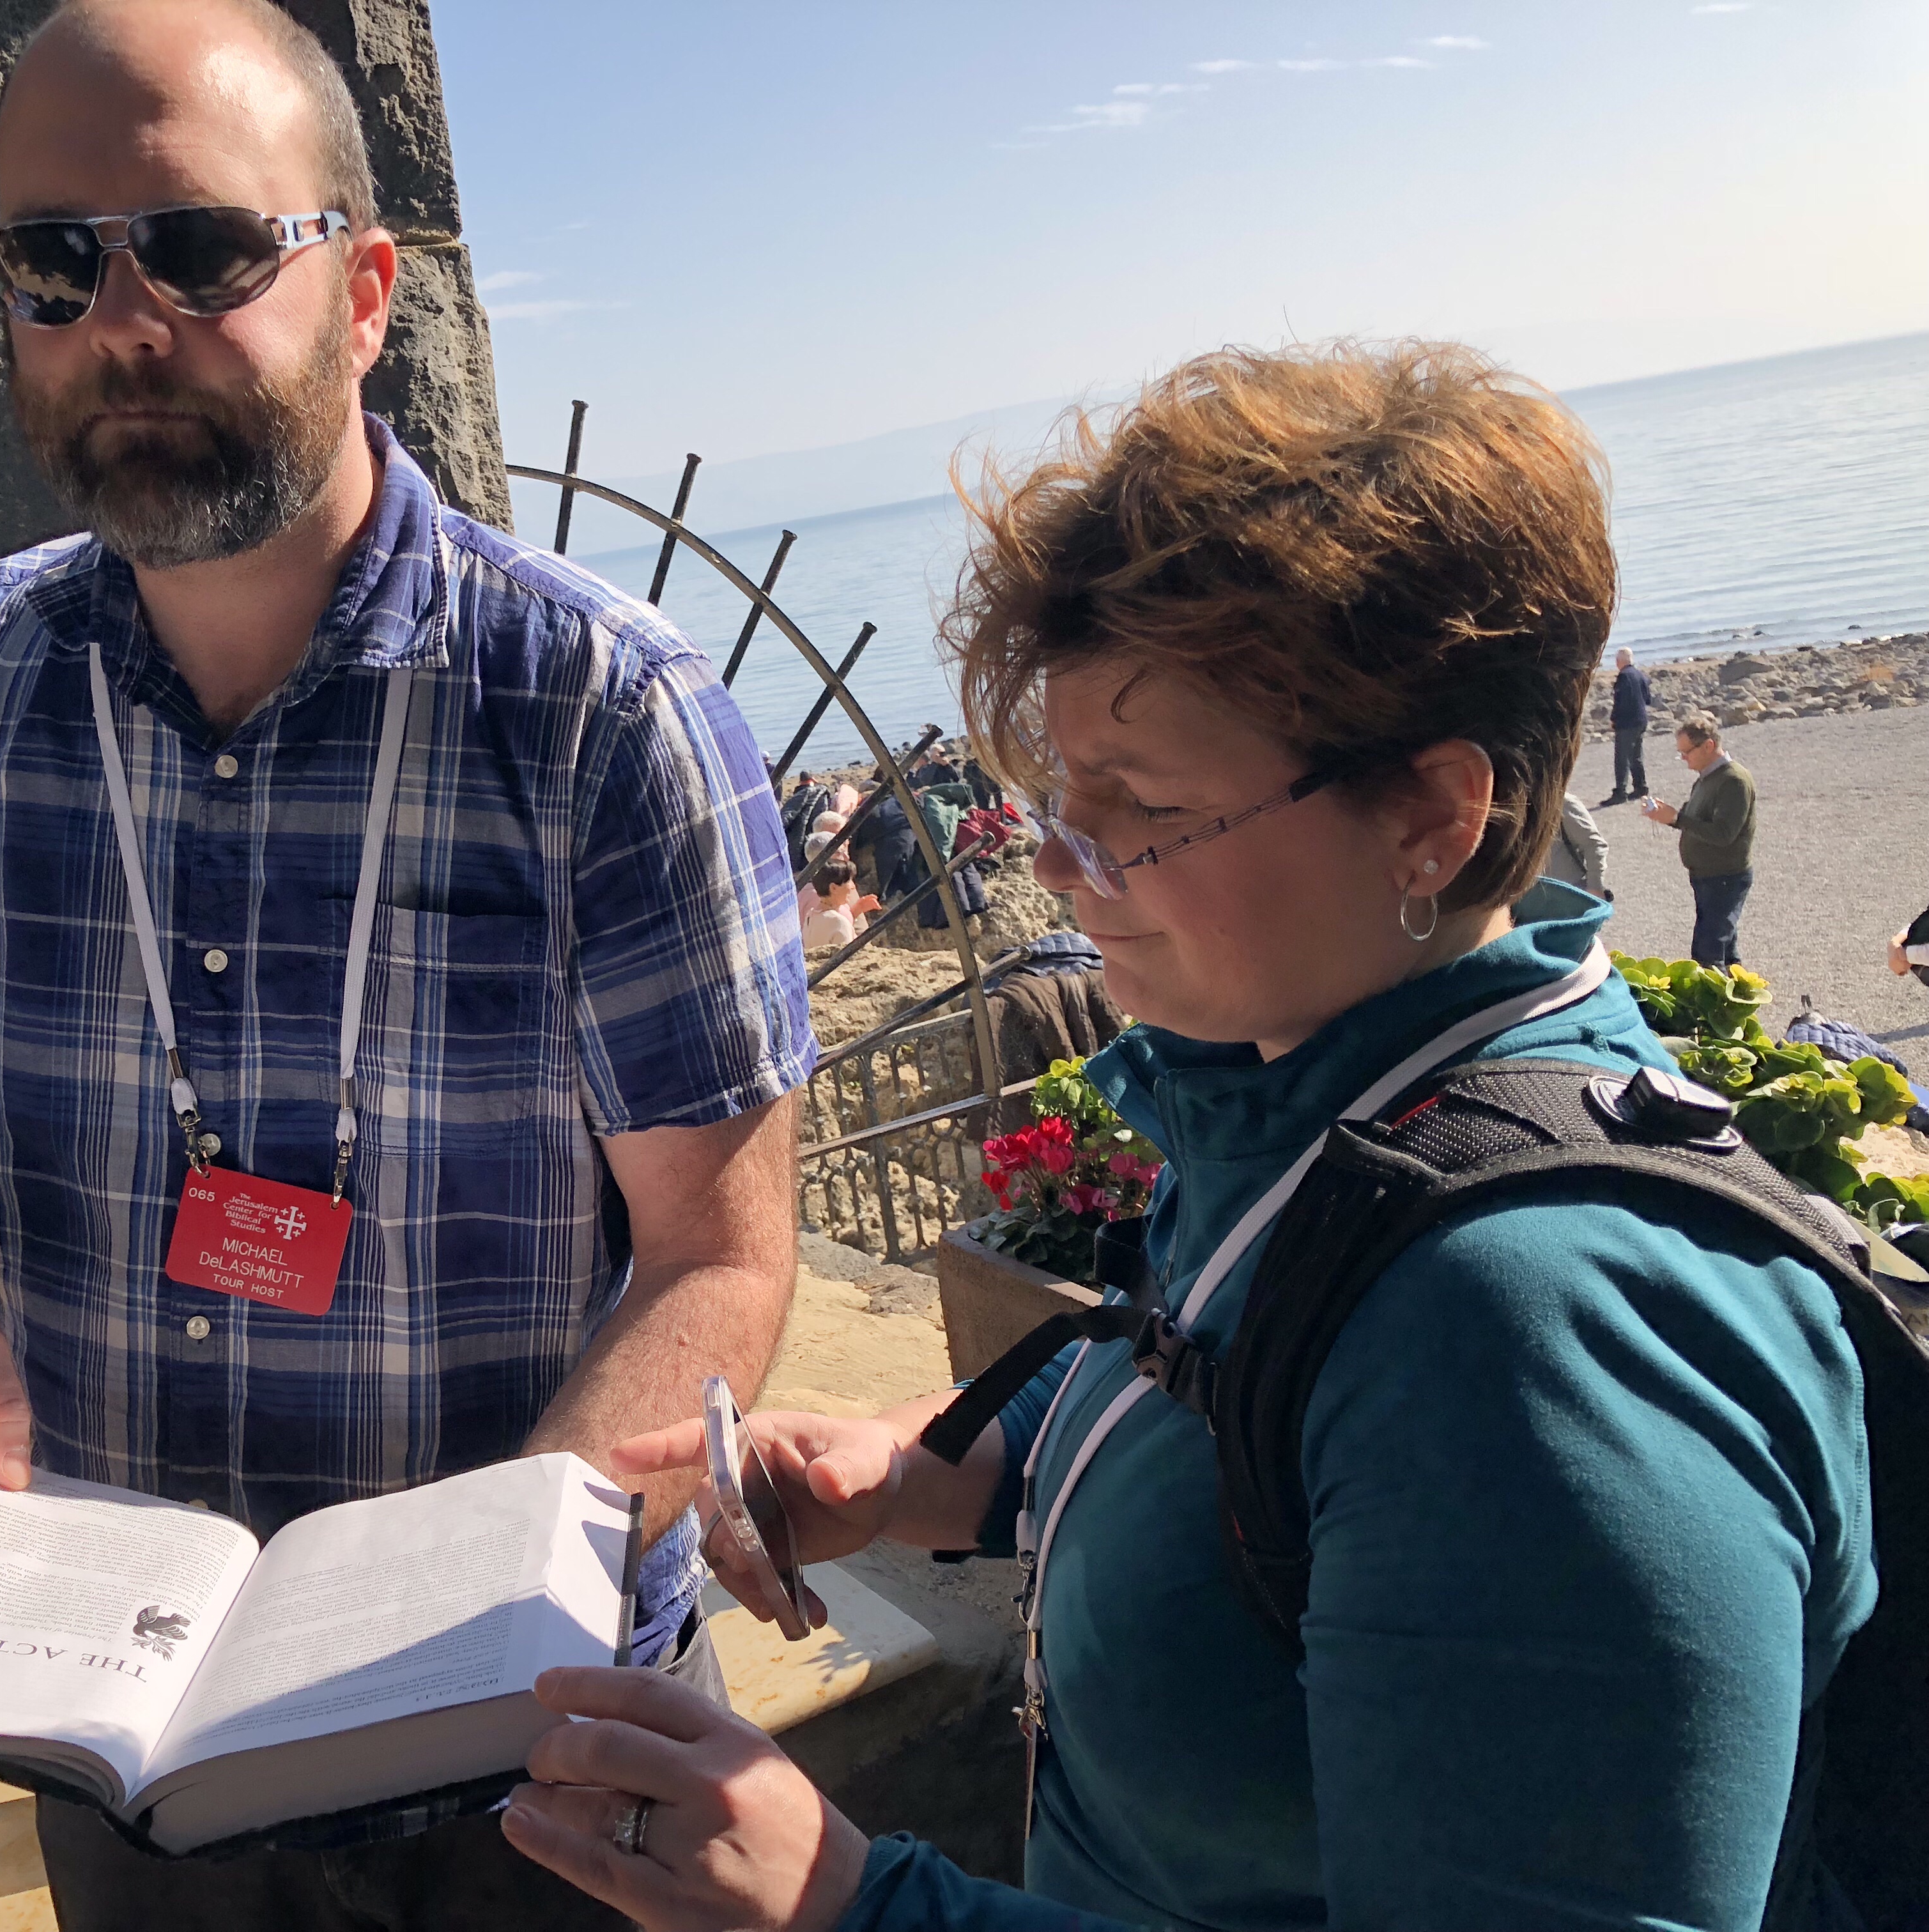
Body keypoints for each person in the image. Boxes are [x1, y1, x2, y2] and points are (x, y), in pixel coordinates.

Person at [495, 342, 1870, 1932]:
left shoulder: (1537, 1339)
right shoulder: (1334, 1099)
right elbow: (1233, 1394)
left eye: (1140, 805)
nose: (1060, 863)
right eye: (1060, 793)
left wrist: (854, 1904)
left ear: (1436, 815)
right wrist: (933, 1470)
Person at [0, 3, 814, 1924]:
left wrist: (465, 1632)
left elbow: (719, 1257)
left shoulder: (603, 717)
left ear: (369, 291)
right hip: (113, 1742)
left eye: (199, 248)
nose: (125, 323)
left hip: (541, 1744)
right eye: (53, 263)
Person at [1643, 713, 1757, 967]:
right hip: (1707, 877)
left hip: (1725, 878)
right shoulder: (1707, 778)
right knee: (1724, 949)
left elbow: (1724, 834)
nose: (1684, 759)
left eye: (1687, 752)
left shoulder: (1734, 781)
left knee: (1708, 953)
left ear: (1708, 746)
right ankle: (1737, 990)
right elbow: (1693, 820)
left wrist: (1677, 818)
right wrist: (1668, 816)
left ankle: (1717, 993)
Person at [1541, 785, 1610, 899]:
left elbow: (1594, 844)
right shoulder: (1514, 806)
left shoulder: (1562, 803)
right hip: (1529, 898)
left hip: (1569, 894)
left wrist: (1595, 888)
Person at [1602, 644, 1651, 802]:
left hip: (1627, 722)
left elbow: (1620, 701)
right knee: (1636, 756)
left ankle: (1620, 792)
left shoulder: (1624, 677)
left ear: (1620, 661)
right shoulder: (1640, 675)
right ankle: (1640, 787)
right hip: (1641, 720)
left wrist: (1614, 719)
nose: (1616, 663)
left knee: (1622, 758)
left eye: (1617, 660)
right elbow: (1647, 699)